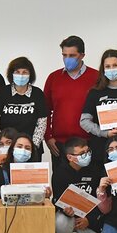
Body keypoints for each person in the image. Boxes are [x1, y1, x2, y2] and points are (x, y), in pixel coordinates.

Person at [44, 36, 100, 166]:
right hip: (60, 145)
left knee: (89, 178)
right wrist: (48, 137)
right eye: (64, 55)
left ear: (82, 55)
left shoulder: (96, 77)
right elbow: (45, 110)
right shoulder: (53, 78)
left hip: (88, 143)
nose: (67, 59)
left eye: (72, 55)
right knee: (61, 178)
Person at [52, 137, 101, 233]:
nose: (87, 155)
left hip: (89, 217)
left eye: (88, 151)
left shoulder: (95, 170)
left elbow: (101, 201)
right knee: (60, 221)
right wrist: (65, 210)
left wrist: (89, 220)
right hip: (69, 216)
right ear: (70, 157)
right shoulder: (59, 173)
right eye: (82, 153)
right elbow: (57, 199)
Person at [0, 57, 48, 157]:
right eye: (17, 72)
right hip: (5, 149)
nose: (21, 75)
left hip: (30, 150)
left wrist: (31, 147)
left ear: (30, 74)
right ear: (11, 74)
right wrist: (0, 144)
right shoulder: (3, 92)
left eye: (25, 72)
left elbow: (42, 122)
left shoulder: (37, 93)